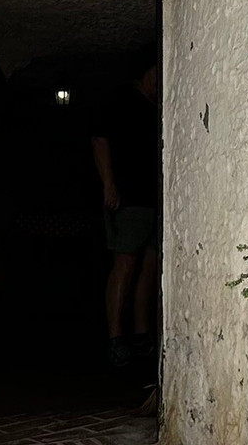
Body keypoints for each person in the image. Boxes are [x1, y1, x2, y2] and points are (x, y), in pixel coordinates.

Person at [91, 47, 160, 368]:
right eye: (157, 74)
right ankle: (115, 337)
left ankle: (141, 332)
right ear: (146, 72)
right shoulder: (122, 100)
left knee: (150, 265)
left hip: (155, 199)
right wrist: (109, 183)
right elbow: (100, 140)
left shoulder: (157, 105)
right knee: (125, 264)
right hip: (128, 197)